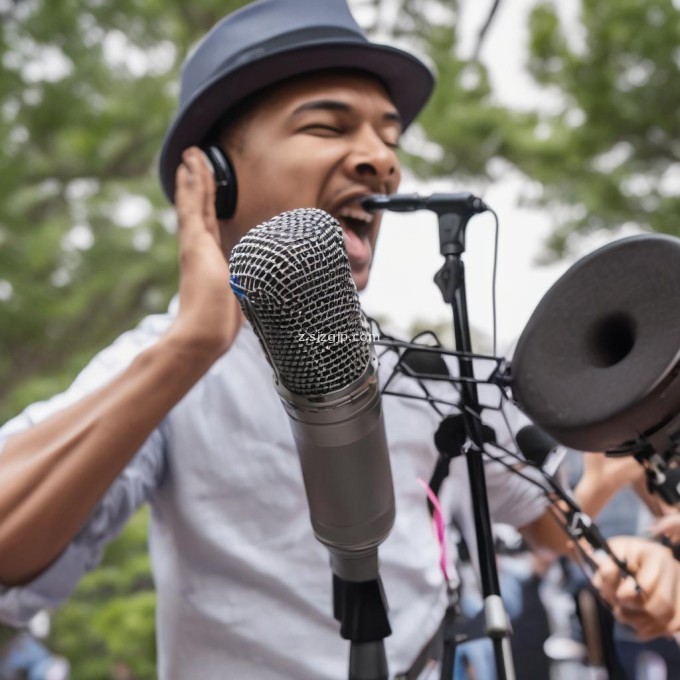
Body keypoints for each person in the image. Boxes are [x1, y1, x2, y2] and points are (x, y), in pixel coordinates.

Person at [0, 1, 678, 678]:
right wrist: (190, 346)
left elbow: (548, 525)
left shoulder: (424, 372)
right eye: (327, 126)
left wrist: (632, 561)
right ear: (210, 178)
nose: (381, 161)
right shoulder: (162, 365)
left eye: (391, 139)